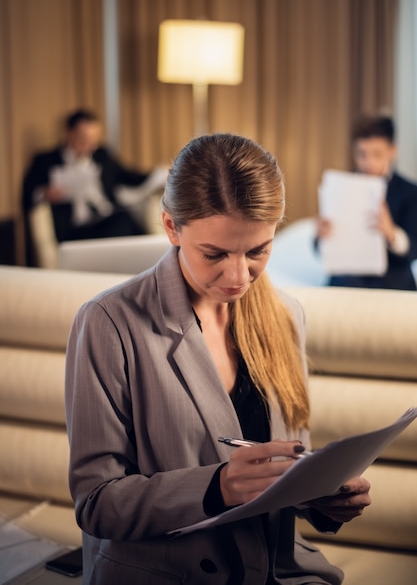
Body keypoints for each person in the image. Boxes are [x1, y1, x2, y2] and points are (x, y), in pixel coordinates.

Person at [65, 133, 371, 584]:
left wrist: (322, 495)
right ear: (171, 228)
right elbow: (96, 504)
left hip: (277, 568)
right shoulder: (108, 323)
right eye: (215, 254)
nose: (237, 276)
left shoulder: (286, 315)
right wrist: (217, 487)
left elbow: (286, 465)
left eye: (257, 251)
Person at [22, 108, 167, 243]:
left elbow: (129, 176)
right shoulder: (46, 161)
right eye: (84, 139)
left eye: (94, 139)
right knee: (123, 222)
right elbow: (28, 195)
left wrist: (158, 176)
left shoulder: (102, 156)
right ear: (68, 134)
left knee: (126, 219)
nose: (90, 145)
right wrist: (44, 194)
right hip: (74, 229)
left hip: (105, 217)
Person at [316, 114, 417, 290]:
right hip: (346, 279)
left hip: (392, 280)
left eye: (377, 154)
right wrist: (321, 236)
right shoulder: (340, 188)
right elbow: (321, 251)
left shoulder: (410, 192)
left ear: (393, 151)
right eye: (361, 154)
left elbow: (413, 250)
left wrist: (391, 233)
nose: (368, 162)